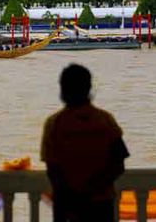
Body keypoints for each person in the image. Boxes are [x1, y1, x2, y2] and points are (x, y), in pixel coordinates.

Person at [41, 64, 129, 222]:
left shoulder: (55, 124)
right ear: (89, 88)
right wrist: (92, 189)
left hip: (67, 205)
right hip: (101, 205)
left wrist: (74, 195)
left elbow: (53, 170)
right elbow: (118, 163)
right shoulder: (105, 120)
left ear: (63, 89)